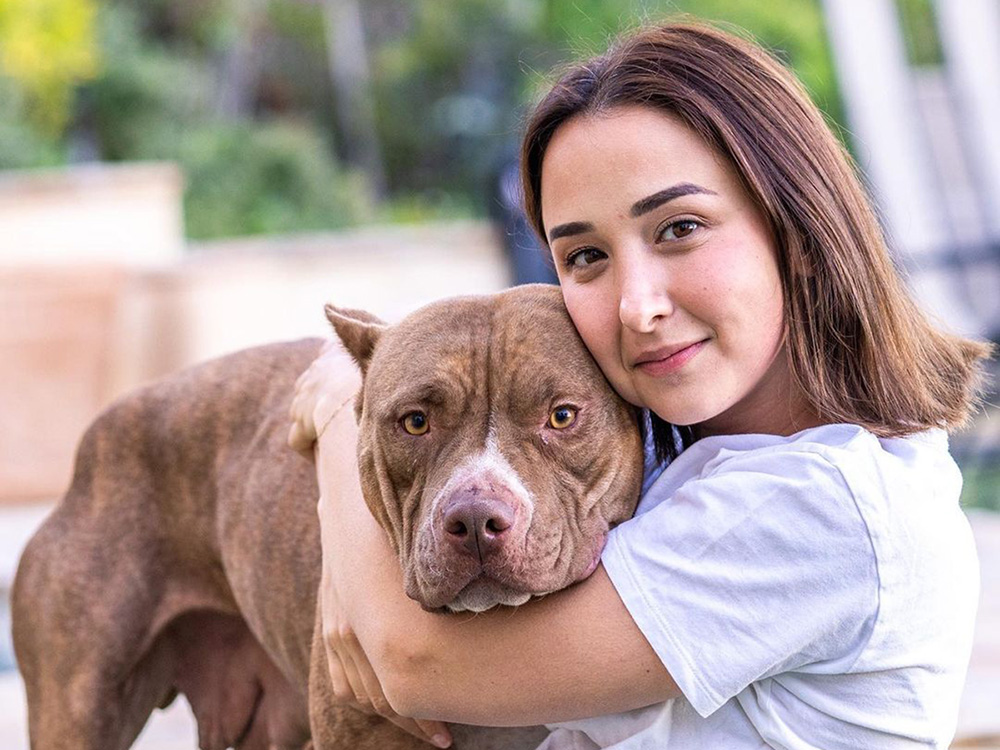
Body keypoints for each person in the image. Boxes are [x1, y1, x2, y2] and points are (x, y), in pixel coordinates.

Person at [297, 21, 994, 749]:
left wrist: (341, 405)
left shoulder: (825, 507)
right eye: (587, 254)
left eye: (680, 228)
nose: (638, 305)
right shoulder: (701, 460)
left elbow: (413, 663)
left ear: (800, 233)